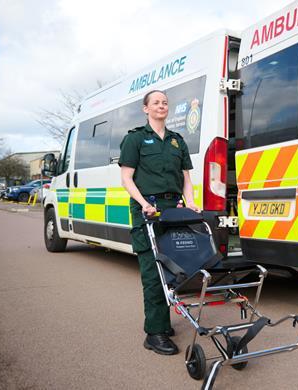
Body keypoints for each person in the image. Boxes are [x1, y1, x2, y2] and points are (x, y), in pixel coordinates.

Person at [119, 89, 200, 355]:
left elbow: (186, 178)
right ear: (146, 109)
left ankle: (162, 323)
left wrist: (190, 203)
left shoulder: (177, 141)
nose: (161, 106)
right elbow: (127, 178)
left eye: (165, 102)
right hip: (147, 210)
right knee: (154, 274)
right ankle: (154, 334)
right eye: (156, 102)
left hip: (172, 210)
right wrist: (144, 204)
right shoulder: (135, 140)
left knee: (172, 270)